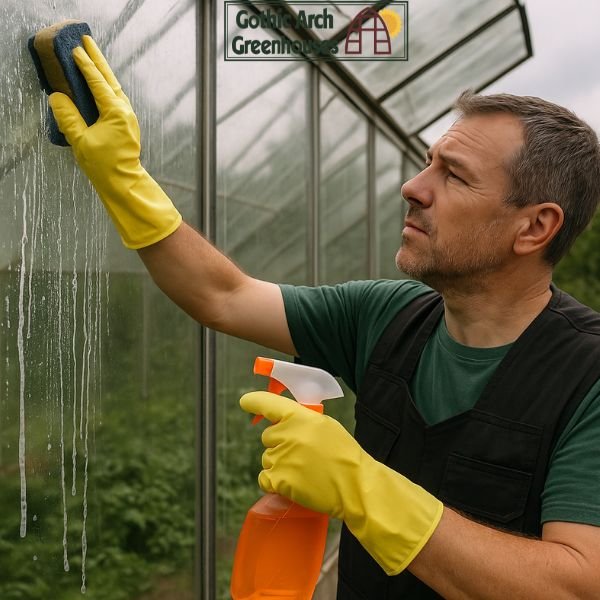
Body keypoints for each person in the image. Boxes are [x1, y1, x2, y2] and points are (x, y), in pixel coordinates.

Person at [48, 36, 600, 598]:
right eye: (427, 163)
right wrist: (123, 177)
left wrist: (362, 489)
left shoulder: (588, 375)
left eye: (453, 176)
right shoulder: (385, 315)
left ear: (534, 228)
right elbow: (224, 296)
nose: (413, 187)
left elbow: (576, 584)